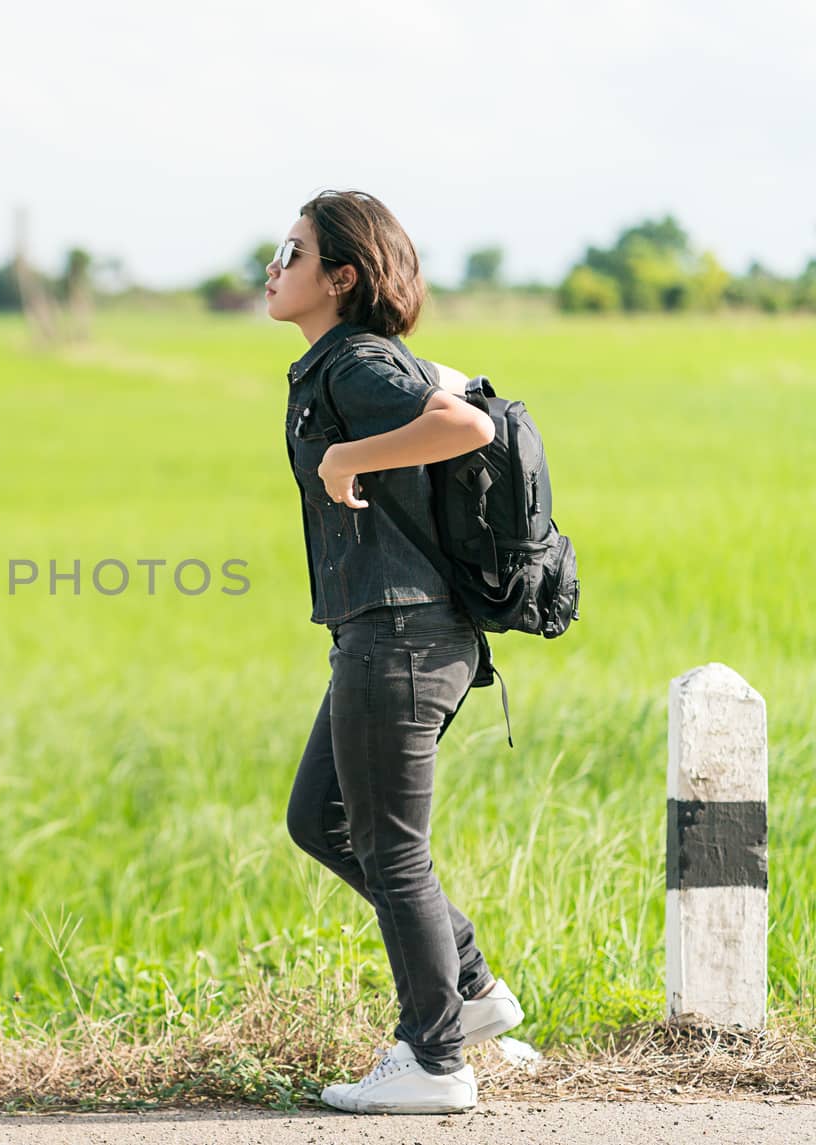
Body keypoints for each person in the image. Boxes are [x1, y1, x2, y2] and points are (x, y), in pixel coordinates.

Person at [266, 189, 526, 1115]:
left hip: (402, 638)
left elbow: (470, 424)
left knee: (390, 846)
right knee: (320, 819)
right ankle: (475, 993)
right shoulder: (351, 363)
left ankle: (434, 1057)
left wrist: (346, 461)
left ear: (342, 275)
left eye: (291, 253)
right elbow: (449, 395)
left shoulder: (357, 365)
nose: (272, 266)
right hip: (393, 635)